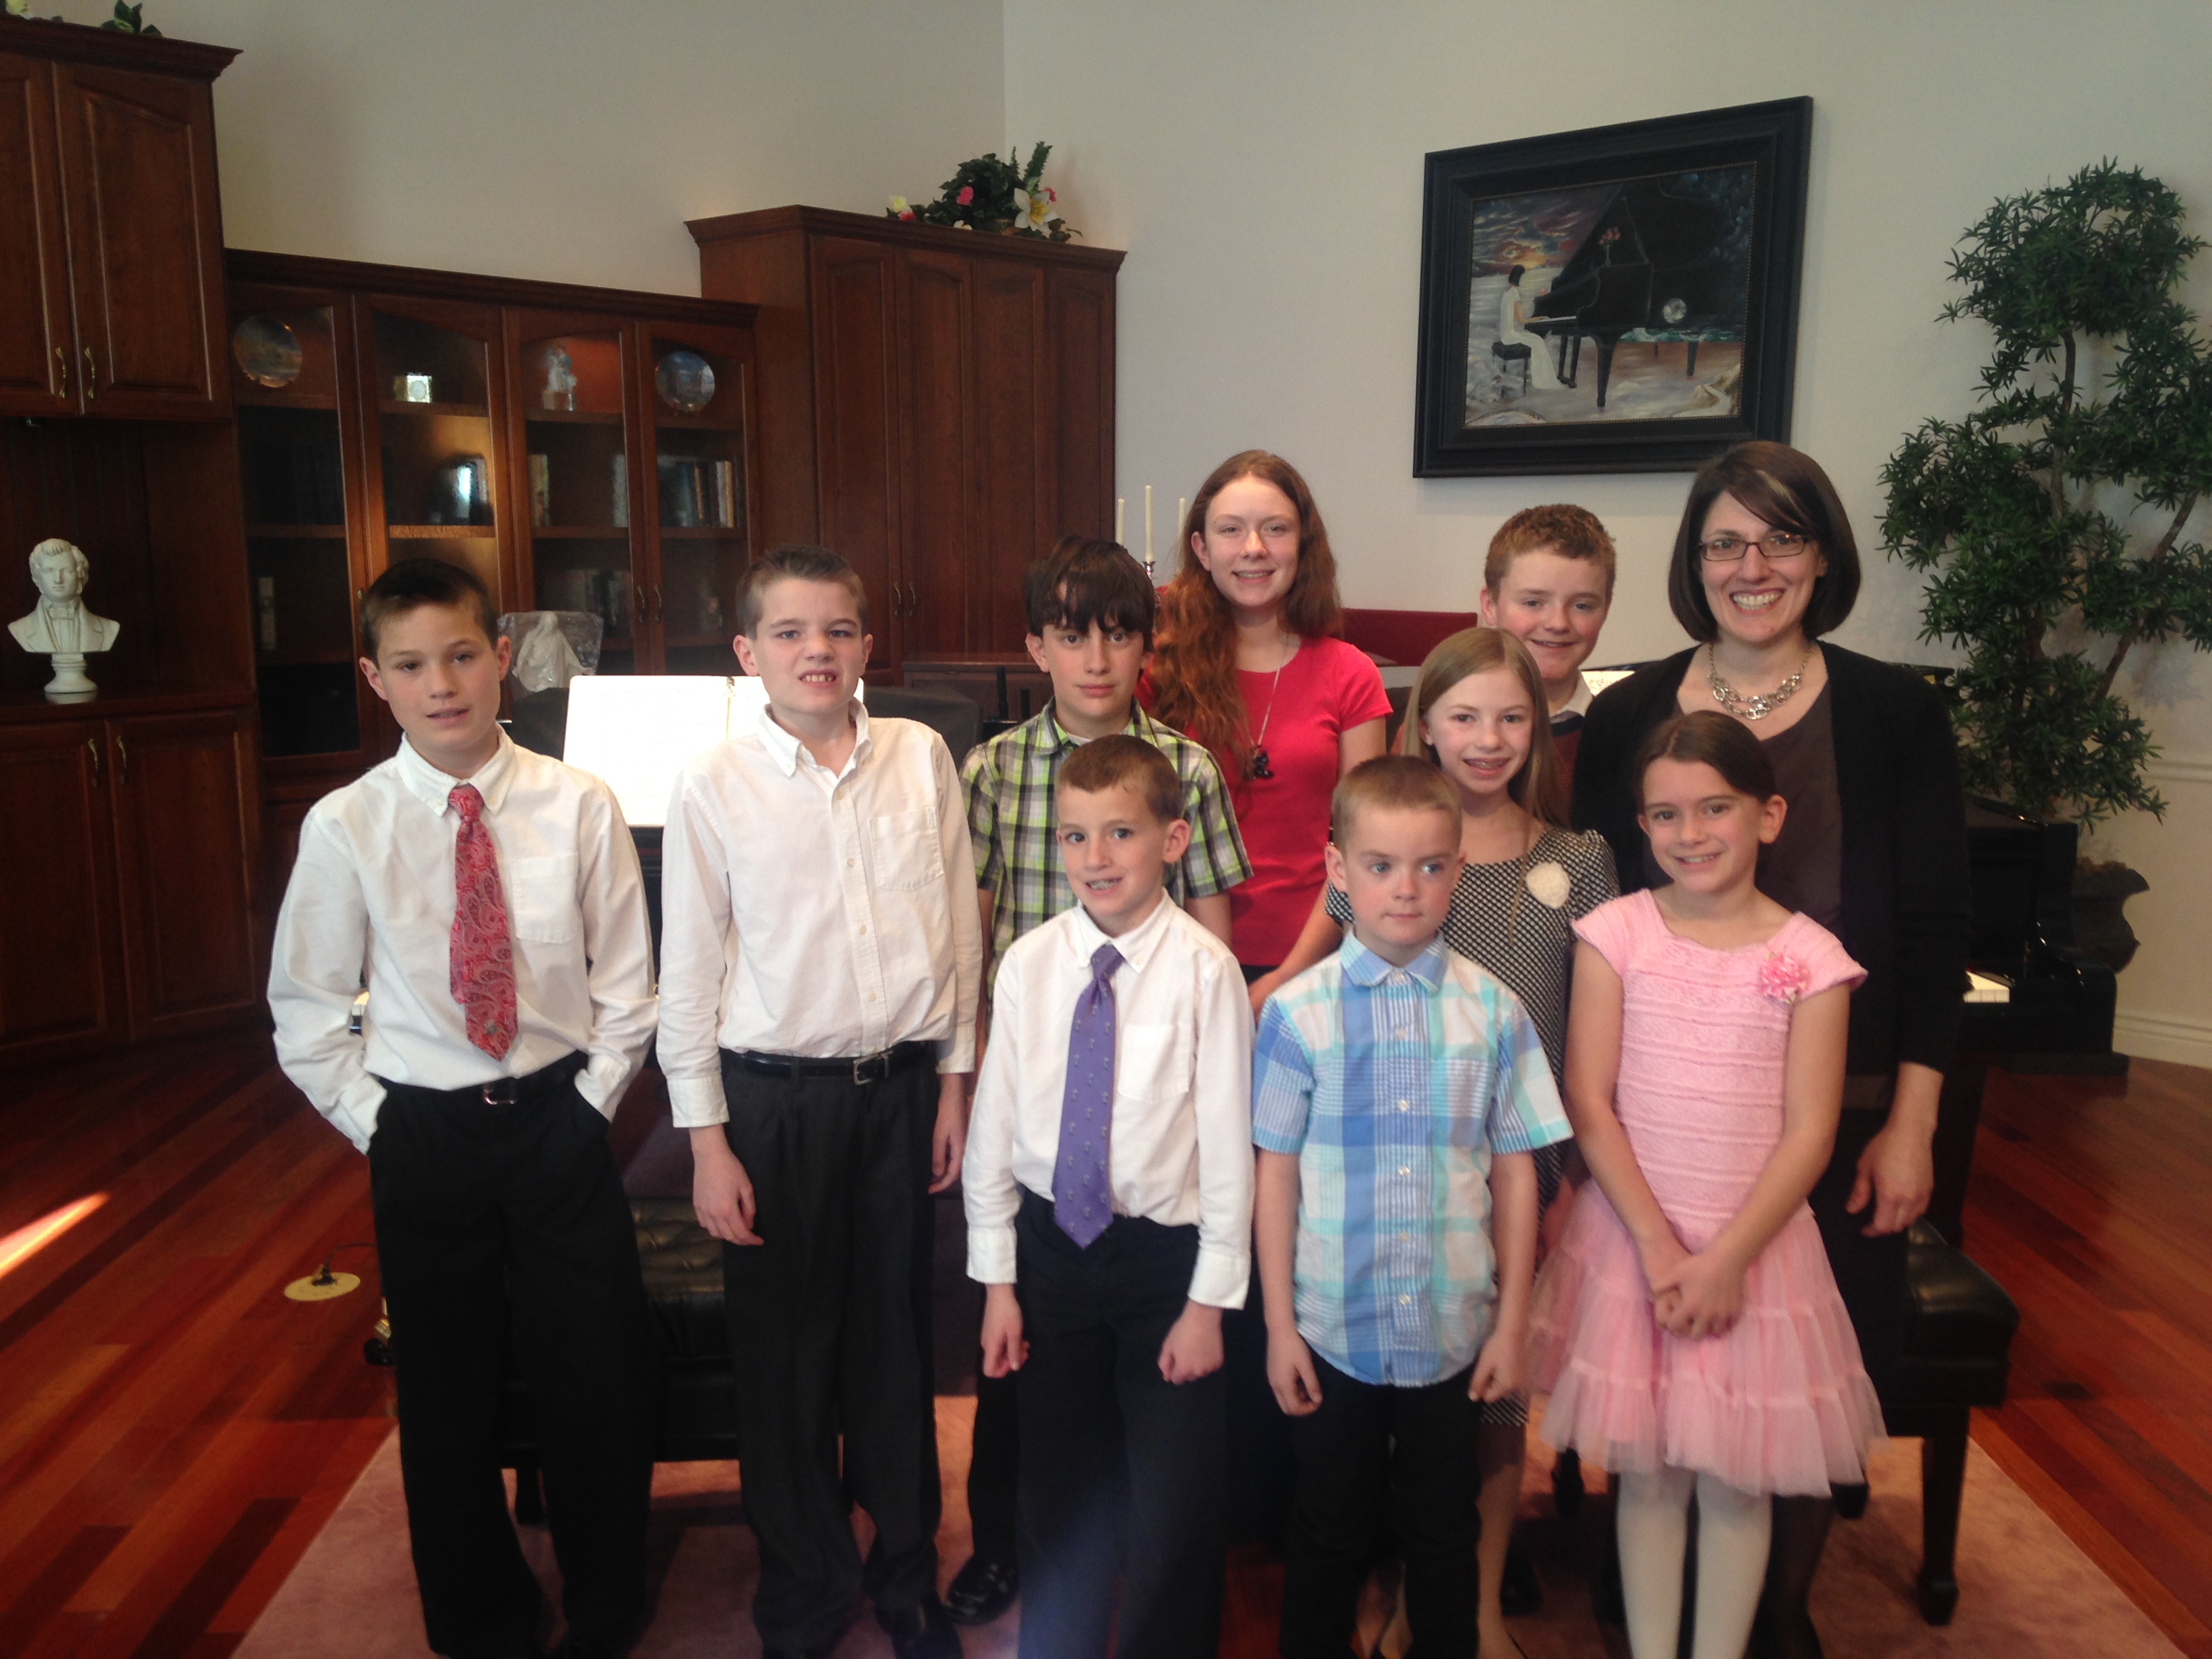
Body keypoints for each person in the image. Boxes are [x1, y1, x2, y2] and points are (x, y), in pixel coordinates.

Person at [1571, 441, 1971, 1658]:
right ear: (1694, 564)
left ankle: (1770, 1617)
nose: (1753, 566)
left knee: (1782, 1397)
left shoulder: (1894, 711)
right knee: (1653, 1394)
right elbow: (1600, 903)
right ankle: (1651, 1607)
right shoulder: (1628, 710)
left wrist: (1911, 1121)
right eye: (1724, 543)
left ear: (1822, 555)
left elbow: (1935, 925)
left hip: (1836, 1110)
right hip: (1663, 1121)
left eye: (1781, 537)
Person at [268, 557, 658, 1659]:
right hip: (424, 1130)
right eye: (409, 665)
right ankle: (481, 1616)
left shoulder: (579, 803)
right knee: (445, 1393)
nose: (439, 684)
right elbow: (305, 1007)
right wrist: (379, 1121)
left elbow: (628, 983)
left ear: (502, 657)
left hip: (557, 1119)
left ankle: (606, 1603)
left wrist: (588, 1106)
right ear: (374, 679)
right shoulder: (346, 824)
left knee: (595, 1375)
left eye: (459, 655)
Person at [658, 546, 981, 1659]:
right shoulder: (713, 781)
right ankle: (803, 1587)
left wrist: (953, 1082)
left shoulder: (920, 756)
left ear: (866, 645)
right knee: (787, 1362)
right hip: (773, 1104)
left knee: (895, 1346)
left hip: (899, 1092)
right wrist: (707, 1144)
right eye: (789, 632)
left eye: (837, 629)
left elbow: (958, 927)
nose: (817, 650)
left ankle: (905, 1576)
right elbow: (688, 975)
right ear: (747, 653)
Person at [1265, 628, 1615, 1654]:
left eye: (1429, 868)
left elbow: (1516, 1169)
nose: (1406, 889)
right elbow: (1274, 1175)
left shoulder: (1495, 1013)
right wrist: (1279, 1327)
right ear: (1340, 871)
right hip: (1331, 1324)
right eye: (1380, 868)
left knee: (1442, 1531)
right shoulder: (1299, 1015)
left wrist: (1510, 1326)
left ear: (1458, 873)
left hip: (1453, 1330)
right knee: (1326, 1527)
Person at [1532, 712, 1884, 1659]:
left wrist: (1724, 1261)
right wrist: (1657, 1247)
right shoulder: (1615, 933)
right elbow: (1590, 1099)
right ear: (1642, 826)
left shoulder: (1810, 959)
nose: (1689, 833)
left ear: (1768, 815)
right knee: (1648, 1477)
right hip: (1633, 1246)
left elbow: (1811, 1132)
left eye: (1714, 809)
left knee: (1738, 1479)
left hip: (1754, 1254)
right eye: (1665, 815)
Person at [949, 535, 1251, 1626]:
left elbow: (1225, 1120)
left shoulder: (1188, 779)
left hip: (1162, 1232)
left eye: (1117, 633)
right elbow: (974, 943)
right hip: (1047, 1176)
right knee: (1047, 1457)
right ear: (1037, 646)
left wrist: (1212, 1295)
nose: (1098, 853)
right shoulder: (994, 775)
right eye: (1070, 634)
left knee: (1171, 1486)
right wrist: (995, 1272)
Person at [1145, 449, 1391, 1002]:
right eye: (1231, 530)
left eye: (1275, 529)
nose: (1254, 548)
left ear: (1302, 545)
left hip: (1316, 961)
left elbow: (1366, 844)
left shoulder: (1350, 673)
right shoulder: (1159, 671)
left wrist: (1288, 977)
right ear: (1202, 550)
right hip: (1179, 957)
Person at [1478, 504, 1616, 782]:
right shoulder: (1441, 724)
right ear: (1490, 605)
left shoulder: (1622, 731)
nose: (1558, 623)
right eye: (1533, 602)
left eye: (1582, 605)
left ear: (1605, 609)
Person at [1496, 266, 1562, 392]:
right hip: (1510, 336)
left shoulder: (1506, 294)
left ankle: (1542, 379)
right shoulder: (1514, 293)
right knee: (1538, 342)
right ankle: (1543, 381)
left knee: (1537, 340)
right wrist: (1540, 318)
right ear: (1519, 278)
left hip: (1505, 334)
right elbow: (1521, 320)